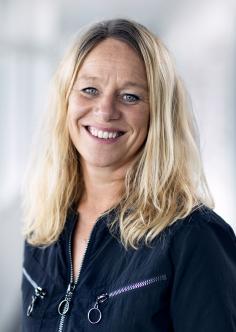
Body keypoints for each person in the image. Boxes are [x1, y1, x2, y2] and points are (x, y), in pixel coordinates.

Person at [21, 18, 236, 332]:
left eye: (130, 96)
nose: (105, 110)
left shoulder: (195, 237)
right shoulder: (43, 227)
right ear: (66, 101)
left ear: (158, 114)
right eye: (90, 90)